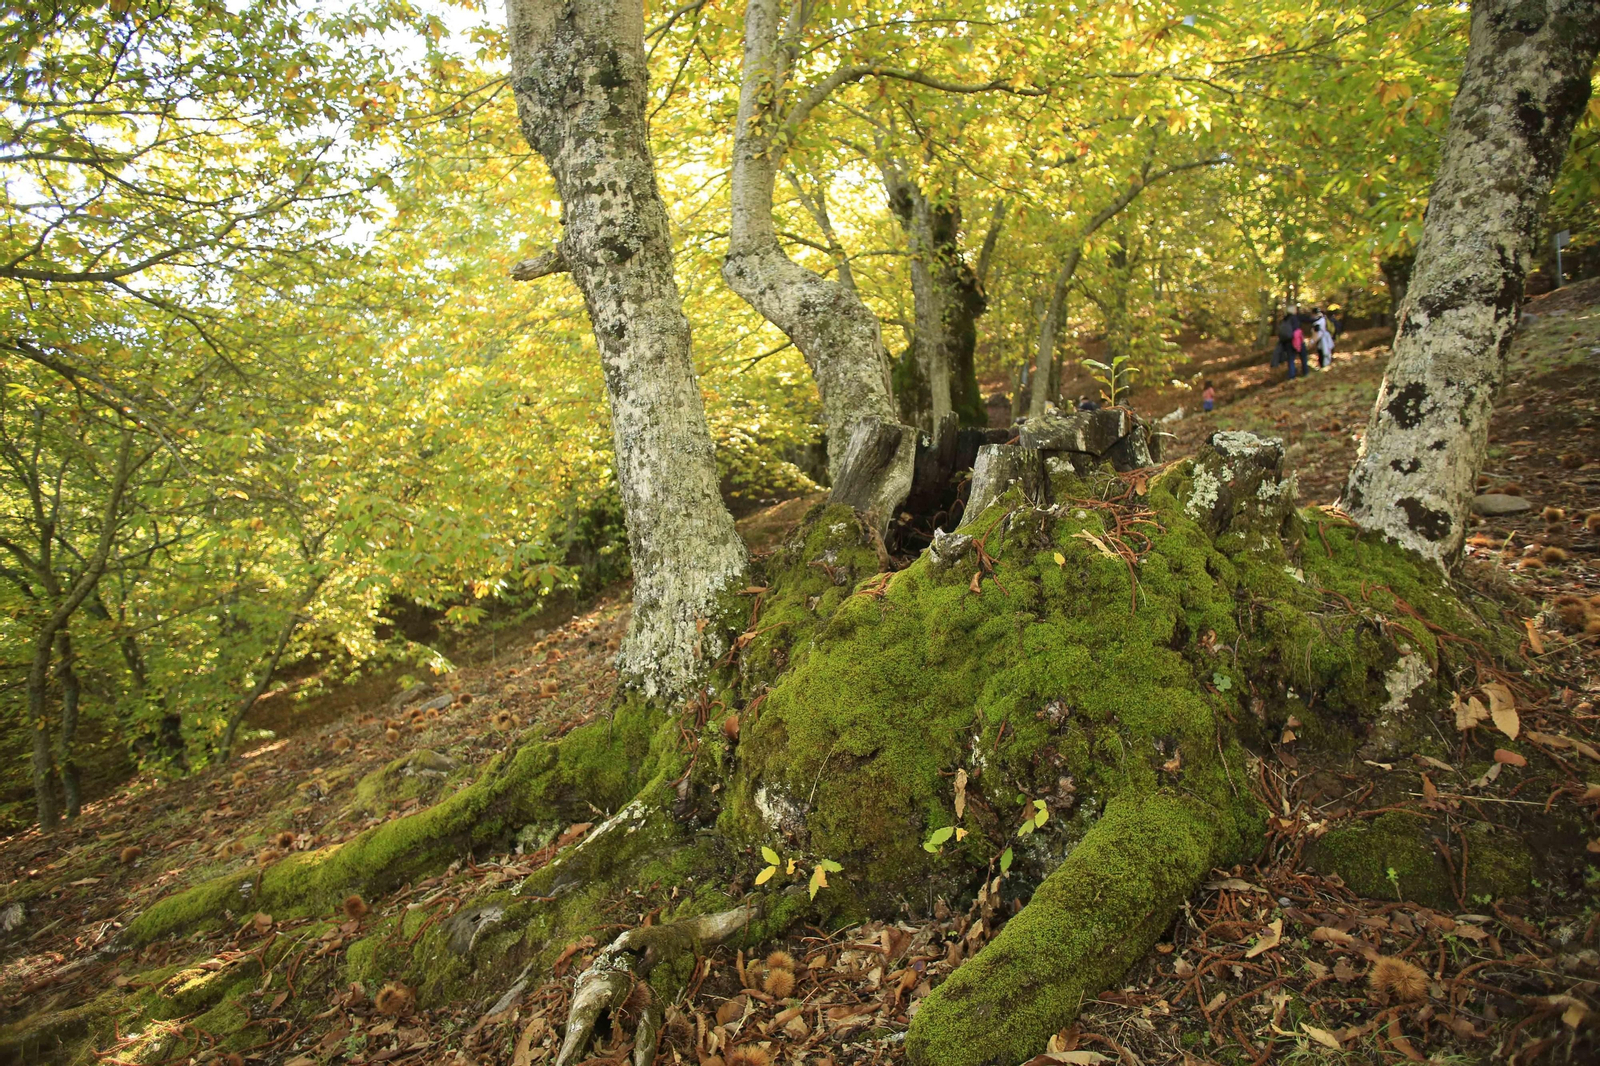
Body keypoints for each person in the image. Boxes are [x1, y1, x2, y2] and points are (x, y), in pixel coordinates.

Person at [1277, 310, 1308, 380]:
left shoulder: (1284, 320)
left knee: (1291, 359)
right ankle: (1305, 372)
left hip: (1288, 342)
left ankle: (1292, 376)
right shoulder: (1296, 318)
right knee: (1303, 357)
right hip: (1297, 341)